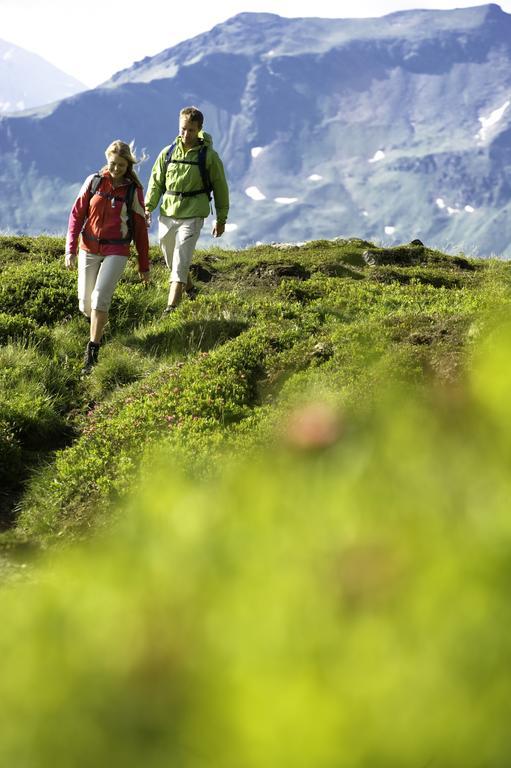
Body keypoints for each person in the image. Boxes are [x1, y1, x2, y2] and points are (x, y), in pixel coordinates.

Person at [65, 140, 150, 374]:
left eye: (121, 165)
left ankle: (92, 352)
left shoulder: (133, 190)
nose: (116, 169)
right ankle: (99, 328)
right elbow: (76, 215)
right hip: (88, 248)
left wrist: (144, 264)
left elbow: (140, 229)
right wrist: (70, 249)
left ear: (128, 165)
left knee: (101, 297)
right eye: (113, 164)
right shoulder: (93, 182)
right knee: (85, 304)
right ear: (107, 160)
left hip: (117, 250)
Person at [145, 106, 229, 313]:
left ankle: (171, 307)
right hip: (168, 214)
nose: (186, 134)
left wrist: (221, 218)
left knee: (181, 258)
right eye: (183, 129)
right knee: (170, 257)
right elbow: (156, 182)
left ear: (199, 129)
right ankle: (191, 289)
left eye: (191, 130)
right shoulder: (168, 153)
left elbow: (220, 188)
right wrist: (148, 208)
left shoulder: (209, 157)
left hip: (193, 215)